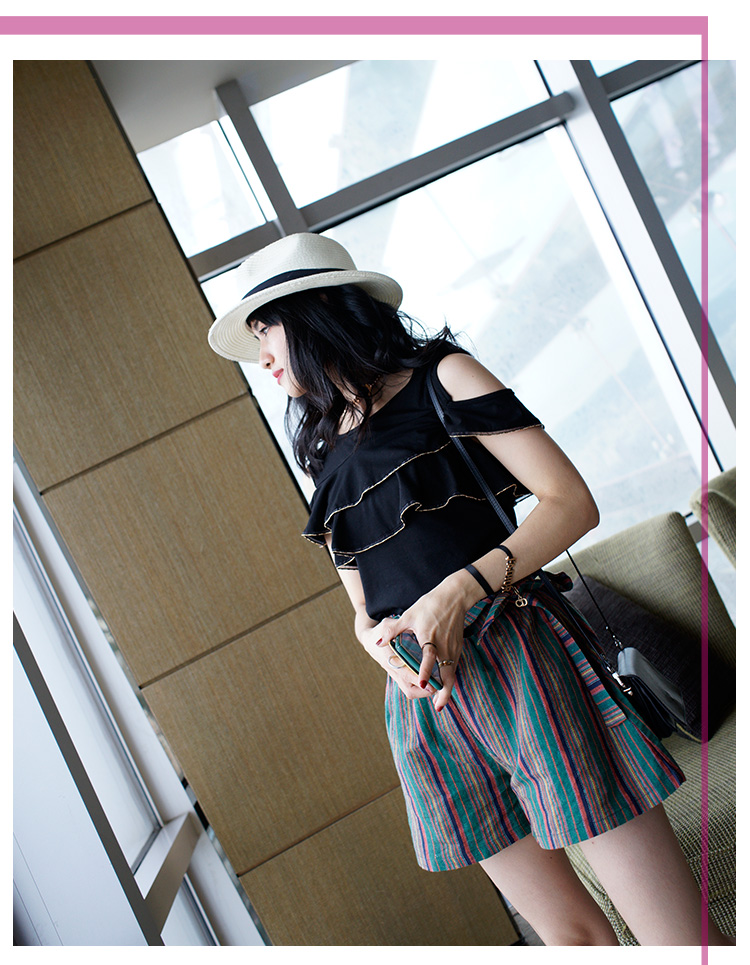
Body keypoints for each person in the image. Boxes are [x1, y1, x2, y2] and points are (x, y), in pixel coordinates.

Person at [208, 232, 732, 947]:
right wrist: (380, 649)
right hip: (425, 704)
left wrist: (458, 591)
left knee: (675, 938)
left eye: (265, 329)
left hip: (522, 658)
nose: (261, 354)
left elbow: (571, 502)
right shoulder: (326, 451)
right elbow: (362, 607)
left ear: (313, 313)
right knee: (571, 938)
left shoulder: (443, 377)